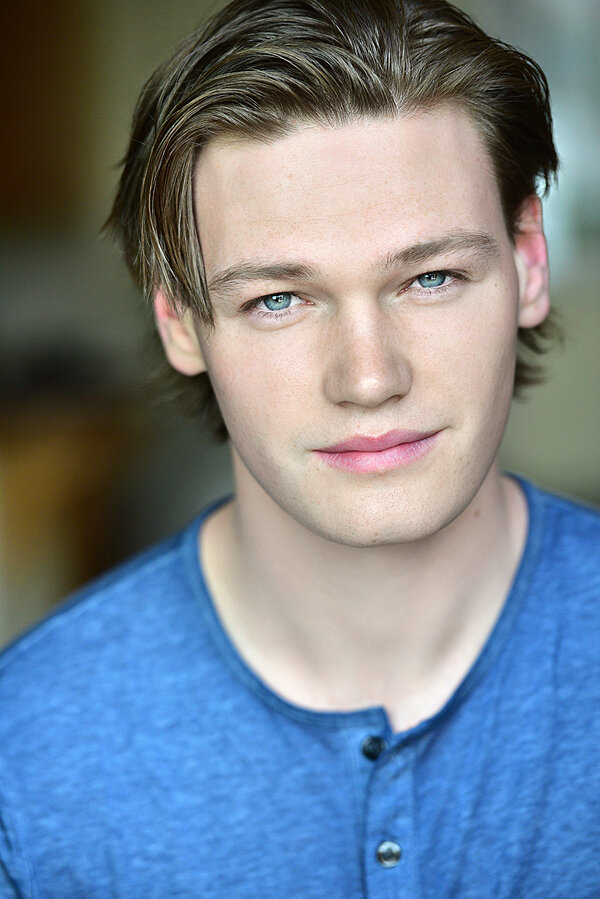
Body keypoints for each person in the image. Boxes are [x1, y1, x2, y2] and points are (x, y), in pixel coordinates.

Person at [1, 0, 598, 895]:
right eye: (277, 299)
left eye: (430, 276)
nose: (368, 377)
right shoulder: (27, 748)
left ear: (526, 265)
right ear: (180, 323)